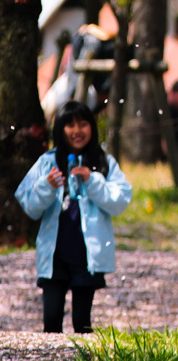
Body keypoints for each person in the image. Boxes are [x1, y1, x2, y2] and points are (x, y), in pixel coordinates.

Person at [15, 100, 133, 334]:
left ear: (92, 127)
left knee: (82, 321)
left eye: (83, 124)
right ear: (59, 129)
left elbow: (120, 200)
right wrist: (46, 187)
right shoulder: (47, 163)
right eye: (69, 125)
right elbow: (29, 205)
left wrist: (93, 181)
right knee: (51, 319)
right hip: (55, 253)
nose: (77, 131)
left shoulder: (103, 162)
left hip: (86, 255)